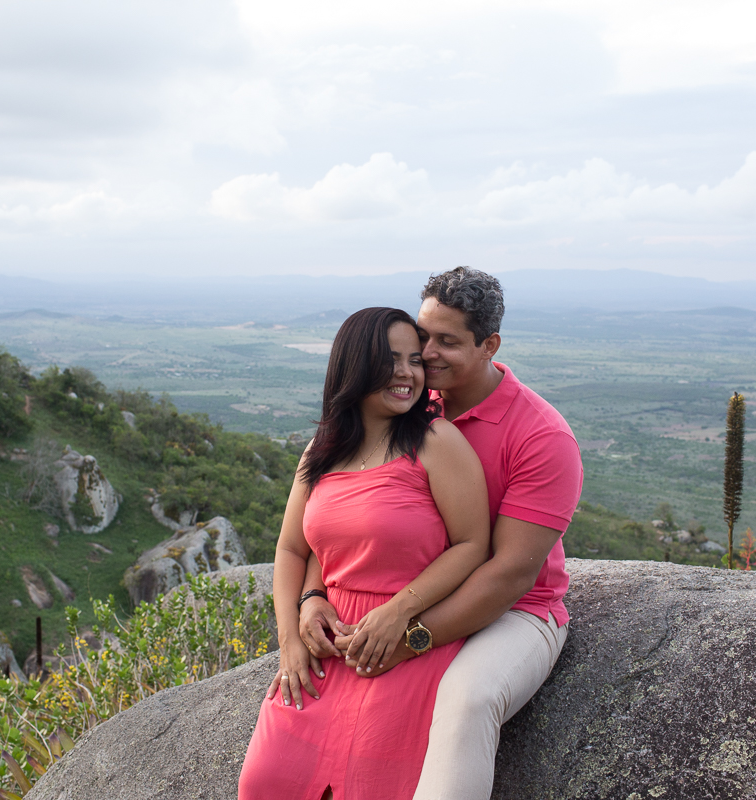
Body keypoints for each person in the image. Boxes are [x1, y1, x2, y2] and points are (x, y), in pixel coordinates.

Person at [299, 267, 583, 799]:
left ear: (489, 345)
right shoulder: (407, 402)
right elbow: (346, 511)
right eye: (422, 335)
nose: (425, 353)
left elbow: (509, 574)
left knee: (467, 699)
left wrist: (411, 637)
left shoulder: (541, 436)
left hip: (514, 611)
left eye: (447, 341)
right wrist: (314, 594)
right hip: (405, 592)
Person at [238, 307, 492, 800]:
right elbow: (292, 547)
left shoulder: (436, 441)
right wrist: (290, 635)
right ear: (353, 366)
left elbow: (471, 546)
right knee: (266, 781)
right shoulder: (322, 450)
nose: (407, 373)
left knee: (375, 786)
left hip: (403, 640)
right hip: (327, 644)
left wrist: (400, 612)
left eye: (414, 360)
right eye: (389, 359)